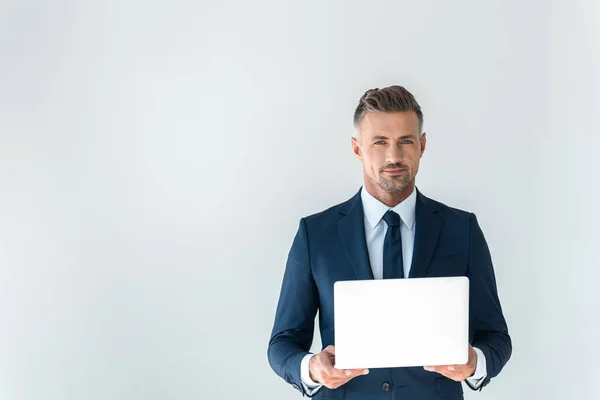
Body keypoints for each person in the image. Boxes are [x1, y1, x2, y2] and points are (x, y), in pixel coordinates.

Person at [267, 85, 511, 399]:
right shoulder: (316, 234)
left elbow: (496, 337)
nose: (393, 156)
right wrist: (312, 367)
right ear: (357, 148)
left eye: (405, 141)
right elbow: (282, 343)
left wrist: (475, 363)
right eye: (380, 142)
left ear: (422, 145)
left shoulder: (461, 229)